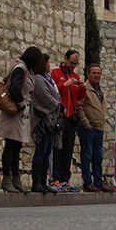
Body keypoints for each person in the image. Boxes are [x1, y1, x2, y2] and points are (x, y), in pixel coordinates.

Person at [0, 46, 42, 193]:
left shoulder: (27, 70)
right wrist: (21, 105)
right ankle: (6, 178)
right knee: (10, 146)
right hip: (15, 111)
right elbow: (15, 88)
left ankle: (15, 178)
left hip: (21, 113)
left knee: (16, 147)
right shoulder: (20, 69)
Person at [51, 50, 87, 192]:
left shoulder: (75, 75)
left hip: (71, 117)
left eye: (75, 64)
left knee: (68, 150)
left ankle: (65, 179)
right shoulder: (55, 73)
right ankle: (55, 179)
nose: (73, 66)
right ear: (65, 59)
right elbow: (52, 91)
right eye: (71, 62)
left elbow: (79, 97)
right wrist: (65, 84)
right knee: (57, 149)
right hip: (59, 116)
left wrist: (82, 88)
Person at [30, 54, 61, 194]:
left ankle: (43, 181)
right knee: (40, 151)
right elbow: (46, 98)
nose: (50, 65)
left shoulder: (47, 79)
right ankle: (36, 182)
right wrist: (59, 105)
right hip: (43, 121)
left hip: (50, 122)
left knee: (47, 152)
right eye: (48, 63)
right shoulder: (38, 79)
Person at [76, 63, 107, 192]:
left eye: (98, 73)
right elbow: (79, 105)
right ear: (88, 74)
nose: (96, 75)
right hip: (88, 128)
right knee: (87, 156)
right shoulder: (84, 88)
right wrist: (86, 123)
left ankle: (98, 182)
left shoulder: (100, 90)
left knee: (98, 157)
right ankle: (88, 182)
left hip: (99, 128)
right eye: (94, 73)